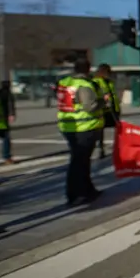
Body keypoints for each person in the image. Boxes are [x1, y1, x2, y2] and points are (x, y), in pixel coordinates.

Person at [57, 58, 104, 206]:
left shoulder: (65, 82)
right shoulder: (84, 85)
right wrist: (103, 101)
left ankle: (87, 189)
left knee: (80, 160)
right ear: (88, 69)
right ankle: (77, 193)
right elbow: (89, 107)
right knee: (80, 162)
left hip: (68, 126)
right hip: (84, 127)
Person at [93, 63, 120, 158]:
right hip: (103, 109)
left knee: (118, 129)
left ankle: (118, 146)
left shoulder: (109, 82)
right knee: (100, 130)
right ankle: (100, 148)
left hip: (113, 108)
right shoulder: (96, 81)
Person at [0, 81, 16, 164]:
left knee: (6, 138)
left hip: (2, 120)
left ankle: (7, 157)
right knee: (6, 138)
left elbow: (9, 101)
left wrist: (11, 113)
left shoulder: (4, 91)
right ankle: (7, 157)